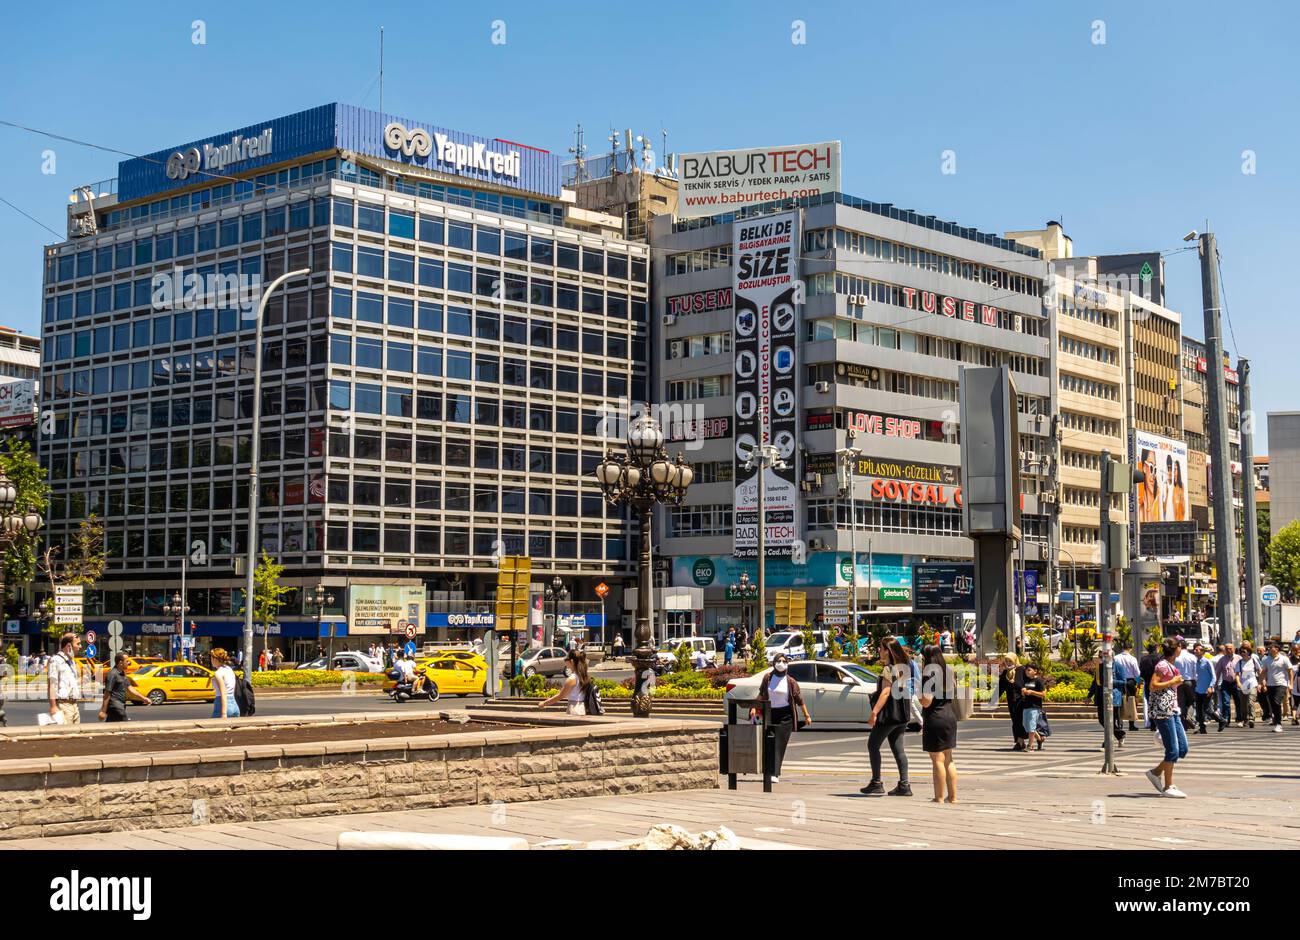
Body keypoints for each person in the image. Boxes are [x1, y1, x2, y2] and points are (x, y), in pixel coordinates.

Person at [861, 638, 912, 796]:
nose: (879, 650)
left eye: (881, 648)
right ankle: (904, 785)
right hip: (902, 714)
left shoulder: (888, 669)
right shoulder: (903, 667)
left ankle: (876, 782)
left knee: (873, 745)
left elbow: (885, 692)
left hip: (889, 714)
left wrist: (874, 712)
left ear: (888, 651)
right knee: (899, 749)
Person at [750, 652, 810, 783]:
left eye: (783, 661)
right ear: (774, 663)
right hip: (770, 714)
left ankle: (775, 773)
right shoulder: (768, 678)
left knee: (779, 744)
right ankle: (769, 771)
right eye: (778, 661)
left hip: (785, 716)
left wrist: (806, 715)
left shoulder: (790, 681)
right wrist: (754, 707)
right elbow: (761, 694)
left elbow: (799, 700)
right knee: (768, 744)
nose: (781, 663)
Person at [1145, 638, 1189, 798]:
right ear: (1175, 649)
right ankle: (1168, 786)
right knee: (1173, 750)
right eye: (1180, 647)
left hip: (1173, 710)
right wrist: (1173, 681)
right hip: (1163, 711)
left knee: (1182, 749)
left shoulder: (1170, 665)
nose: (1181, 649)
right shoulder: (1162, 665)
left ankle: (1155, 772)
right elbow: (1153, 685)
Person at [919, 644, 957, 804]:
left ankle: (939, 797)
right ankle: (953, 797)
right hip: (949, 715)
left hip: (935, 717)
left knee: (937, 760)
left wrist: (918, 696)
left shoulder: (929, 675)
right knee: (948, 758)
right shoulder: (949, 671)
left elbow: (927, 702)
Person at [98, 652, 151, 721]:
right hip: (115, 706)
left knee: (112, 727)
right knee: (125, 726)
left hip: (121, 705)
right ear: (120, 662)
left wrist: (143, 698)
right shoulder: (112, 674)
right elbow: (107, 693)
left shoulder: (122, 673)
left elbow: (130, 688)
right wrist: (103, 711)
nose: (129, 663)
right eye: (127, 661)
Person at [539, 649, 592, 716]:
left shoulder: (572, 679)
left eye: (566, 659)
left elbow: (561, 696)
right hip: (582, 707)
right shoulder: (583, 675)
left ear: (571, 661)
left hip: (574, 708)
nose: (565, 661)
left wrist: (544, 703)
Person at [1087, 658, 1126, 747]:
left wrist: (1111, 681)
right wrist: (1089, 696)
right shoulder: (1099, 667)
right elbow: (1095, 682)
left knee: (1110, 720)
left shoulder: (1118, 666)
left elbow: (1124, 682)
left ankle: (1108, 742)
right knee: (1102, 720)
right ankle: (1120, 734)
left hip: (1113, 697)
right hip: (1101, 697)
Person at [47, 632, 83, 726]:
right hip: (63, 705)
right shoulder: (55, 660)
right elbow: (52, 684)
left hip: (74, 705)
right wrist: (53, 706)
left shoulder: (72, 661)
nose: (80, 646)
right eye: (78, 644)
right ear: (69, 646)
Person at [1259, 641, 1293, 733]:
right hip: (1270, 685)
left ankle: (1278, 724)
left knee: (1276, 701)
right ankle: (1276, 719)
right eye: (1268, 648)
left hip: (1282, 684)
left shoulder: (1284, 659)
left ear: (1276, 649)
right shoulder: (1267, 660)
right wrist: (1260, 683)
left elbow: (1290, 671)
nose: (1269, 649)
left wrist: (1290, 684)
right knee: (1273, 704)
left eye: (1271, 648)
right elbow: (1263, 672)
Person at [997, 653, 1028, 750]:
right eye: (1006, 661)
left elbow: (1028, 682)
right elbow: (1000, 687)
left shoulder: (1021, 670)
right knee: (1015, 721)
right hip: (1011, 701)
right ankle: (1020, 741)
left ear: (1015, 660)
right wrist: (993, 699)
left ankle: (1020, 741)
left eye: (1010, 661)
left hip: (1022, 700)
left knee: (1021, 721)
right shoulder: (1005, 673)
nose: (1008, 663)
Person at [1114, 643, 1141, 730]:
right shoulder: (1132, 659)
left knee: (1119, 701)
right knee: (1131, 702)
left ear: (1122, 648)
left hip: (1119, 681)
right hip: (1130, 681)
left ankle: (1118, 723)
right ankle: (1131, 724)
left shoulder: (1116, 658)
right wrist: (1138, 682)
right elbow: (1137, 673)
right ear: (1130, 649)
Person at [1192, 644, 1218, 734]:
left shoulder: (1207, 662)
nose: (1195, 651)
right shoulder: (1196, 662)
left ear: (1202, 652)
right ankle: (1202, 728)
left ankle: (1221, 720)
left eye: (1197, 650)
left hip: (1207, 689)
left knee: (1206, 709)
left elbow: (1213, 676)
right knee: (1199, 710)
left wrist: (1211, 687)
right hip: (1198, 689)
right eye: (1194, 649)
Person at [1020, 663, 1046, 751]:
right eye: (1026, 670)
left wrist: (1032, 692)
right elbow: (1024, 691)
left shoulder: (1039, 680)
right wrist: (1023, 691)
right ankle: (1039, 739)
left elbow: (1043, 694)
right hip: (1026, 706)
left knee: (1031, 726)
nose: (1027, 672)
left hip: (1035, 707)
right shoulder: (1026, 680)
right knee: (1026, 726)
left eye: (1029, 670)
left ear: (1035, 671)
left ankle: (1030, 746)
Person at [209, 647, 240, 719]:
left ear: (215, 659)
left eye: (211, 658)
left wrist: (223, 714)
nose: (211, 660)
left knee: (213, 728)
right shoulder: (229, 669)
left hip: (222, 705)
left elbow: (223, 693)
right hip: (234, 705)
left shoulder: (218, 673)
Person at [1174, 638, 1198, 730]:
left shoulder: (1176, 657)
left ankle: (1183, 725)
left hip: (1179, 682)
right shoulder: (1192, 657)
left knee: (1181, 703)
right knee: (1192, 701)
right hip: (1190, 681)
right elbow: (1195, 671)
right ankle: (1189, 717)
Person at [1238, 641, 1260, 728]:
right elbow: (1237, 674)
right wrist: (1238, 682)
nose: (1243, 653)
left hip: (1253, 683)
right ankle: (1245, 719)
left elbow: (1259, 670)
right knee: (1243, 704)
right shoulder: (1239, 662)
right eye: (1241, 651)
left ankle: (1251, 718)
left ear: (1249, 651)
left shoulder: (1254, 660)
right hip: (1243, 685)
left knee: (1250, 702)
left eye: (1245, 651)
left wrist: (1261, 682)